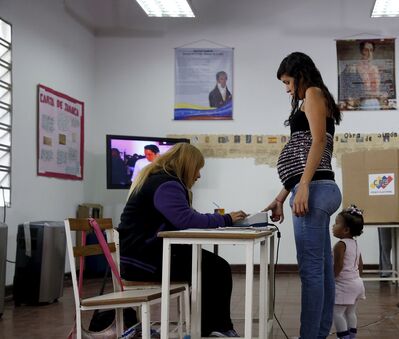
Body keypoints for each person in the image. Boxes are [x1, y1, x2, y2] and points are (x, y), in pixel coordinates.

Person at [117, 143, 247, 337]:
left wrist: (215, 219)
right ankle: (215, 329)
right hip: (144, 263)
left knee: (211, 266)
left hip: (139, 258)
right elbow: (186, 219)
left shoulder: (156, 179)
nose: (199, 175)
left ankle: (212, 327)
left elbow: (182, 217)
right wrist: (226, 218)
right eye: (198, 169)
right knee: (216, 269)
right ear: (187, 165)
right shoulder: (166, 183)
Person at [263, 51, 342, 339]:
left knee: (311, 272)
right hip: (314, 188)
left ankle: (310, 336)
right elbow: (304, 152)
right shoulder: (314, 96)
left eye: (287, 81)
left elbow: (319, 142)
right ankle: (317, 334)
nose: (286, 88)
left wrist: (305, 187)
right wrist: (282, 195)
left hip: (316, 190)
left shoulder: (312, 93)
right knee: (321, 269)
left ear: (299, 74)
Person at [332, 205, 365, 339]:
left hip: (344, 284)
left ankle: (344, 337)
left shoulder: (340, 244)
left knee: (337, 313)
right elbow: (360, 264)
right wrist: (357, 278)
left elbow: (338, 265)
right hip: (357, 283)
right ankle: (352, 336)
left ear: (345, 230)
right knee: (350, 312)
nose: (333, 226)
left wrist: (331, 278)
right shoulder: (355, 243)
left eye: (336, 223)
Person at [356, 41, 382, 110]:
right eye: (366, 50)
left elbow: (378, 88)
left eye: (371, 50)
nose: (369, 53)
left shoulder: (375, 68)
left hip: (376, 102)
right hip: (364, 102)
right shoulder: (357, 67)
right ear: (362, 51)